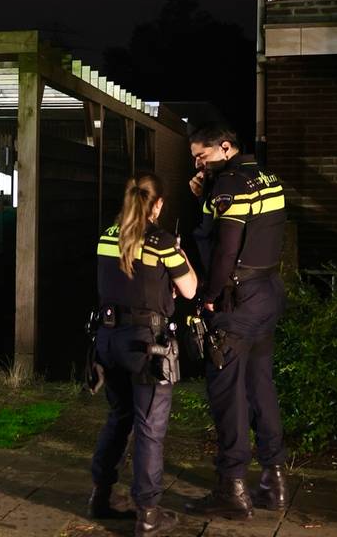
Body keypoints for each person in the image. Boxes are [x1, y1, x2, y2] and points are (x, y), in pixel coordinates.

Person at [184, 124, 289, 519]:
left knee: (227, 393)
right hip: (268, 293)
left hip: (237, 301)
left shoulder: (229, 184)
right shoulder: (265, 176)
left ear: (225, 147)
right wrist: (204, 196)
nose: (197, 163)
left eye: (202, 155)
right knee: (261, 386)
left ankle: (233, 489)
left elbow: (226, 248)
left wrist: (207, 299)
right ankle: (274, 482)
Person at [89, 172, 197, 536]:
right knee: (150, 430)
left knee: (118, 417)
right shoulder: (162, 243)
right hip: (147, 346)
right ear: (158, 204)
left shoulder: (107, 237)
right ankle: (148, 514)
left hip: (107, 340)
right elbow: (191, 288)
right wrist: (179, 255)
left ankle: (100, 496)